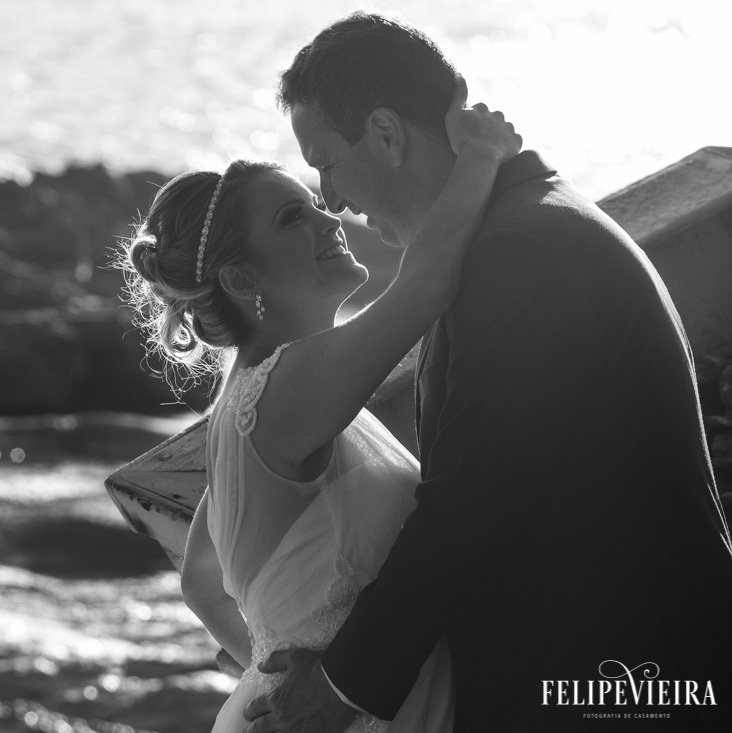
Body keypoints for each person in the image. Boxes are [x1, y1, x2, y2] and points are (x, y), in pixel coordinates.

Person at [240, 12, 732, 733]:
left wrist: (343, 684)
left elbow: (471, 501)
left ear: (385, 133)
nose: (334, 200)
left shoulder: (520, 256)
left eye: (327, 163)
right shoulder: (517, 229)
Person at [119, 78, 520, 732]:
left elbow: (200, 576)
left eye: (311, 202)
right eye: (291, 217)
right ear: (243, 279)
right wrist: (482, 156)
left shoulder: (265, 398)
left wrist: (276, 669)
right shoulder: (280, 391)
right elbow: (425, 287)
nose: (329, 218)